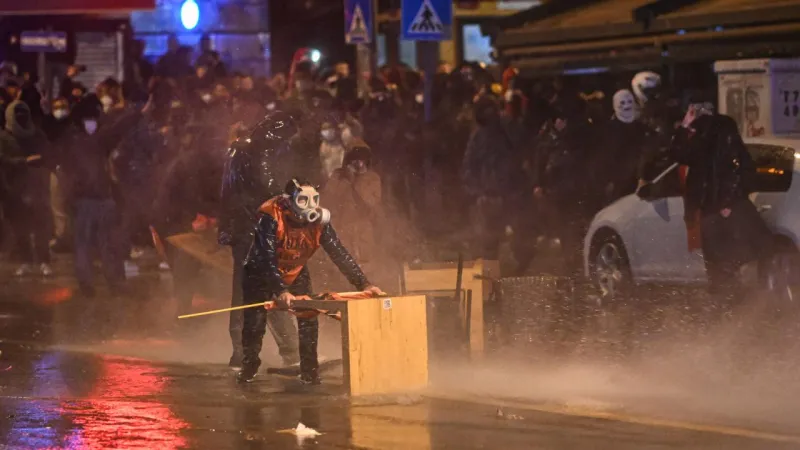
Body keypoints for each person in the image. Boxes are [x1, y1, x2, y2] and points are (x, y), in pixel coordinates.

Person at [240, 178, 382, 384]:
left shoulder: (319, 223)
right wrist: (280, 289)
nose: (311, 206)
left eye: (314, 199)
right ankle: (249, 368)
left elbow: (338, 253)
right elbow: (266, 256)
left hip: (296, 270)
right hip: (260, 271)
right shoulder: (270, 217)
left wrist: (364, 284)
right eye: (304, 200)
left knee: (308, 316)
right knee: (255, 323)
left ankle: (309, 371)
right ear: (289, 201)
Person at [218, 112, 304, 370]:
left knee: (255, 289)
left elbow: (229, 193)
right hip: (254, 229)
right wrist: (293, 201)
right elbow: (267, 188)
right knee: (258, 289)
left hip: (241, 228)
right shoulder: (262, 149)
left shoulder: (237, 150)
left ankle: (275, 351)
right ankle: (276, 352)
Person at [668, 110, 771, 304]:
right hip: (716, 212)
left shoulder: (712, 151)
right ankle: (733, 306)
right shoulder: (709, 151)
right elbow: (677, 153)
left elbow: (678, 153)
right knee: (725, 264)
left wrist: (726, 204)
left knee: (724, 264)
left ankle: (733, 305)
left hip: (717, 213)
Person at [0, 101, 52, 276]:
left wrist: (41, 159)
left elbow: (48, 152)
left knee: (40, 227)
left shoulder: (37, 135)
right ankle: (26, 261)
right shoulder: (4, 137)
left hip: (36, 185)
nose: (21, 118)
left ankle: (44, 261)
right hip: (14, 189)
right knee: (20, 228)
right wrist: (23, 162)